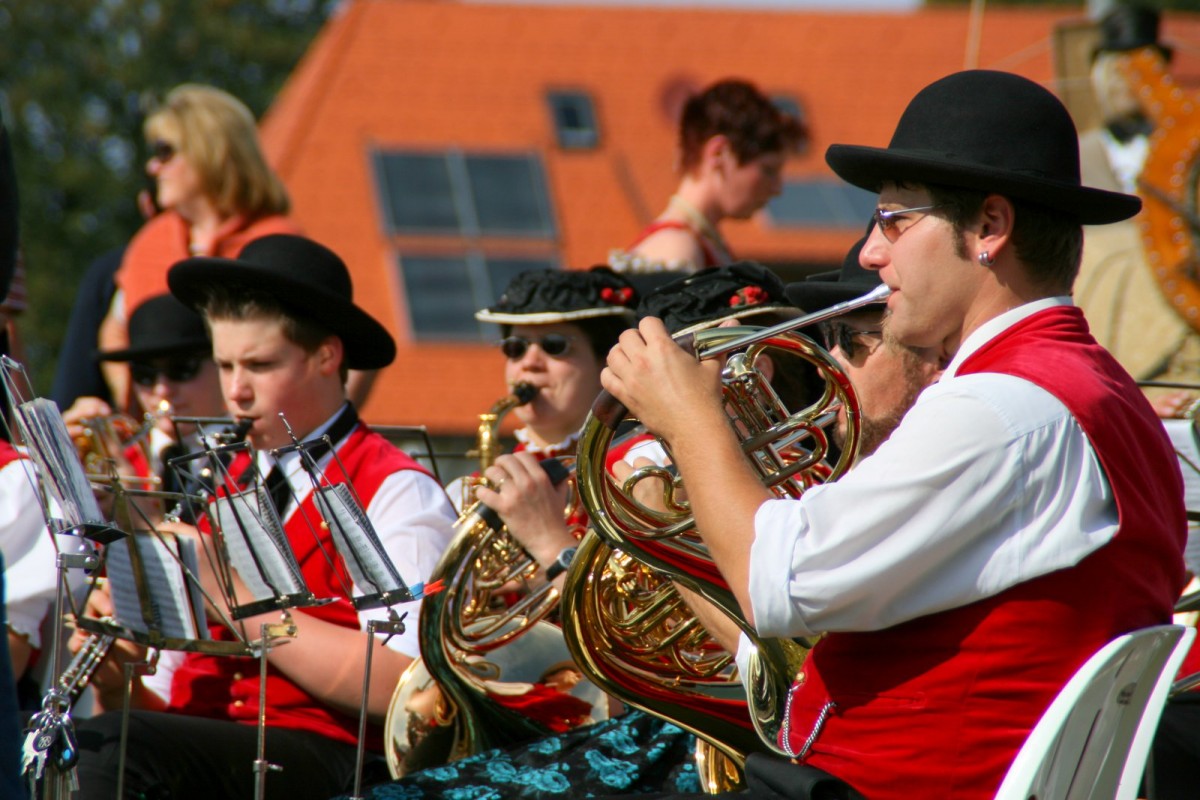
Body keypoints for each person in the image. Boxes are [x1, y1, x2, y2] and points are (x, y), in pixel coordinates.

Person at [601, 69, 1187, 800]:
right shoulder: (1098, 388)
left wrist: (691, 423)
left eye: (894, 220)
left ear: (989, 229)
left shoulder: (999, 409)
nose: (872, 252)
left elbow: (776, 581)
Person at [71, 234, 458, 799]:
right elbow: (175, 704)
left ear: (327, 356)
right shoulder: (224, 478)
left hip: (335, 761)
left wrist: (233, 599)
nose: (235, 392)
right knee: (91, 741)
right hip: (225, 750)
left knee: (115, 754)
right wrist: (116, 681)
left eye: (259, 364)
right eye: (224, 364)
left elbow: (407, 685)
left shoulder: (393, 487)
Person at [96, 84, 302, 412]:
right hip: (161, 445)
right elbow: (115, 327)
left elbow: (339, 352)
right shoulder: (151, 240)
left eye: (165, 152)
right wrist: (135, 404)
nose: (152, 167)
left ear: (211, 152)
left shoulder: (278, 245)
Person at [1075, 4, 1200, 415]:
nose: (1125, 85)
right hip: (1102, 324)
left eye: (1139, 70)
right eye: (1116, 70)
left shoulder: (1187, 158)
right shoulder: (1074, 155)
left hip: (1177, 327)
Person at [608, 79, 805, 279]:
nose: (777, 188)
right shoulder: (676, 249)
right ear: (718, 153)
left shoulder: (702, 243)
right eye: (768, 170)